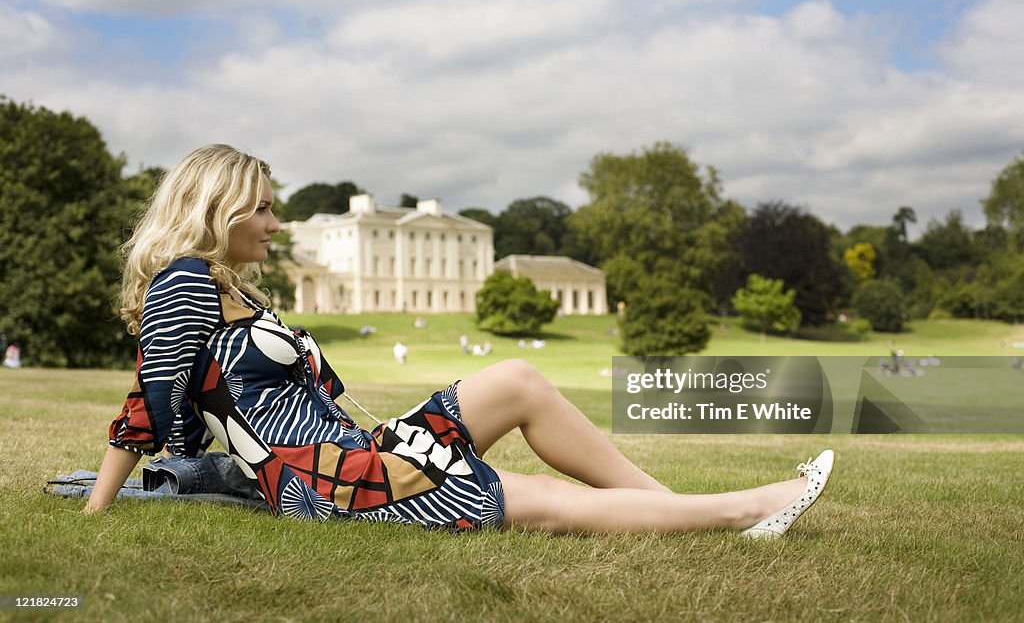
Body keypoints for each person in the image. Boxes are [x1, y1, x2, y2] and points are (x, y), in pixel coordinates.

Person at [84, 144, 835, 537]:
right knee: (536, 499)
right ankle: (743, 509)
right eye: (265, 211)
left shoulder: (234, 288)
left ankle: (684, 507)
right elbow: (144, 406)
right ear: (220, 209)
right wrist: (97, 511)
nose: (277, 225)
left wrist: (390, 436)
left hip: (361, 449)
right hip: (329, 483)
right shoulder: (184, 283)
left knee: (516, 379)